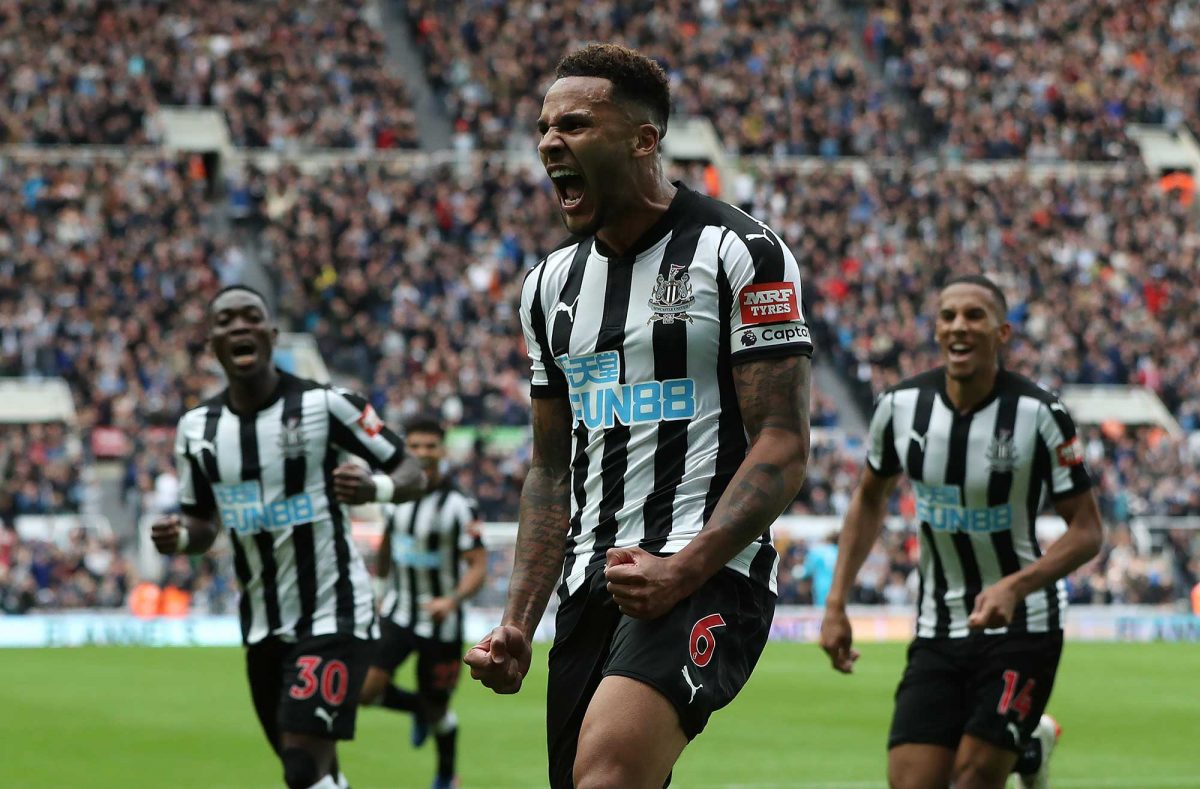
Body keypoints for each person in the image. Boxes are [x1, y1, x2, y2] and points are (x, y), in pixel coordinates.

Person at [464, 44, 813, 789]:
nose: (550, 142)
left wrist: (682, 570)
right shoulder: (548, 286)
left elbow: (782, 446)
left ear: (643, 139)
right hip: (590, 588)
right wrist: (519, 620)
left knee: (609, 779)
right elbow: (551, 470)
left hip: (706, 571)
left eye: (577, 125)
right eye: (544, 127)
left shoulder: (741, 252)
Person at [819, 274, 1104, 789]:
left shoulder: (1040, 414)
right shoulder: (900, 408)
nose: (959, 326)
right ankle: (1027, 745)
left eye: (975, 316)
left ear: (1002, 333)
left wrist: (1015, 585)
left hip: (1023, 623)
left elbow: (1087, 531)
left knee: (972, 779)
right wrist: (836, 602)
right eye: (948, 315)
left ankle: (1014, 747)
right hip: (938, 623)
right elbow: (868, 498)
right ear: (936, 330)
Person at [150, 284, 427, 789]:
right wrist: (179, 537)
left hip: (333, 611)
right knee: (313, 772)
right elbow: (201, 521)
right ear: (212, 342)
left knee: (302, 766)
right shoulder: (197, 429)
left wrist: (374, 485)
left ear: (271, 334)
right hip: (261, 625)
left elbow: (411, 471)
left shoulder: (327, 404)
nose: (238, 326)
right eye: (225, 320)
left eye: (250, 316)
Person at [359, 416, 487, 789]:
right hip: (398, 612)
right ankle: (418, 709)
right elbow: (385, 545)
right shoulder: (395, 494)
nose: (423, 453)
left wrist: (452, 599)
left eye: (430, 446)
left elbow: (478, 566)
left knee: (439, 710)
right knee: (364, 692)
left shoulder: (460, 505)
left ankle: (447, 775)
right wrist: (380, 592)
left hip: (441, 620)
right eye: (415, 446)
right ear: (406, 449)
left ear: (442, 450)